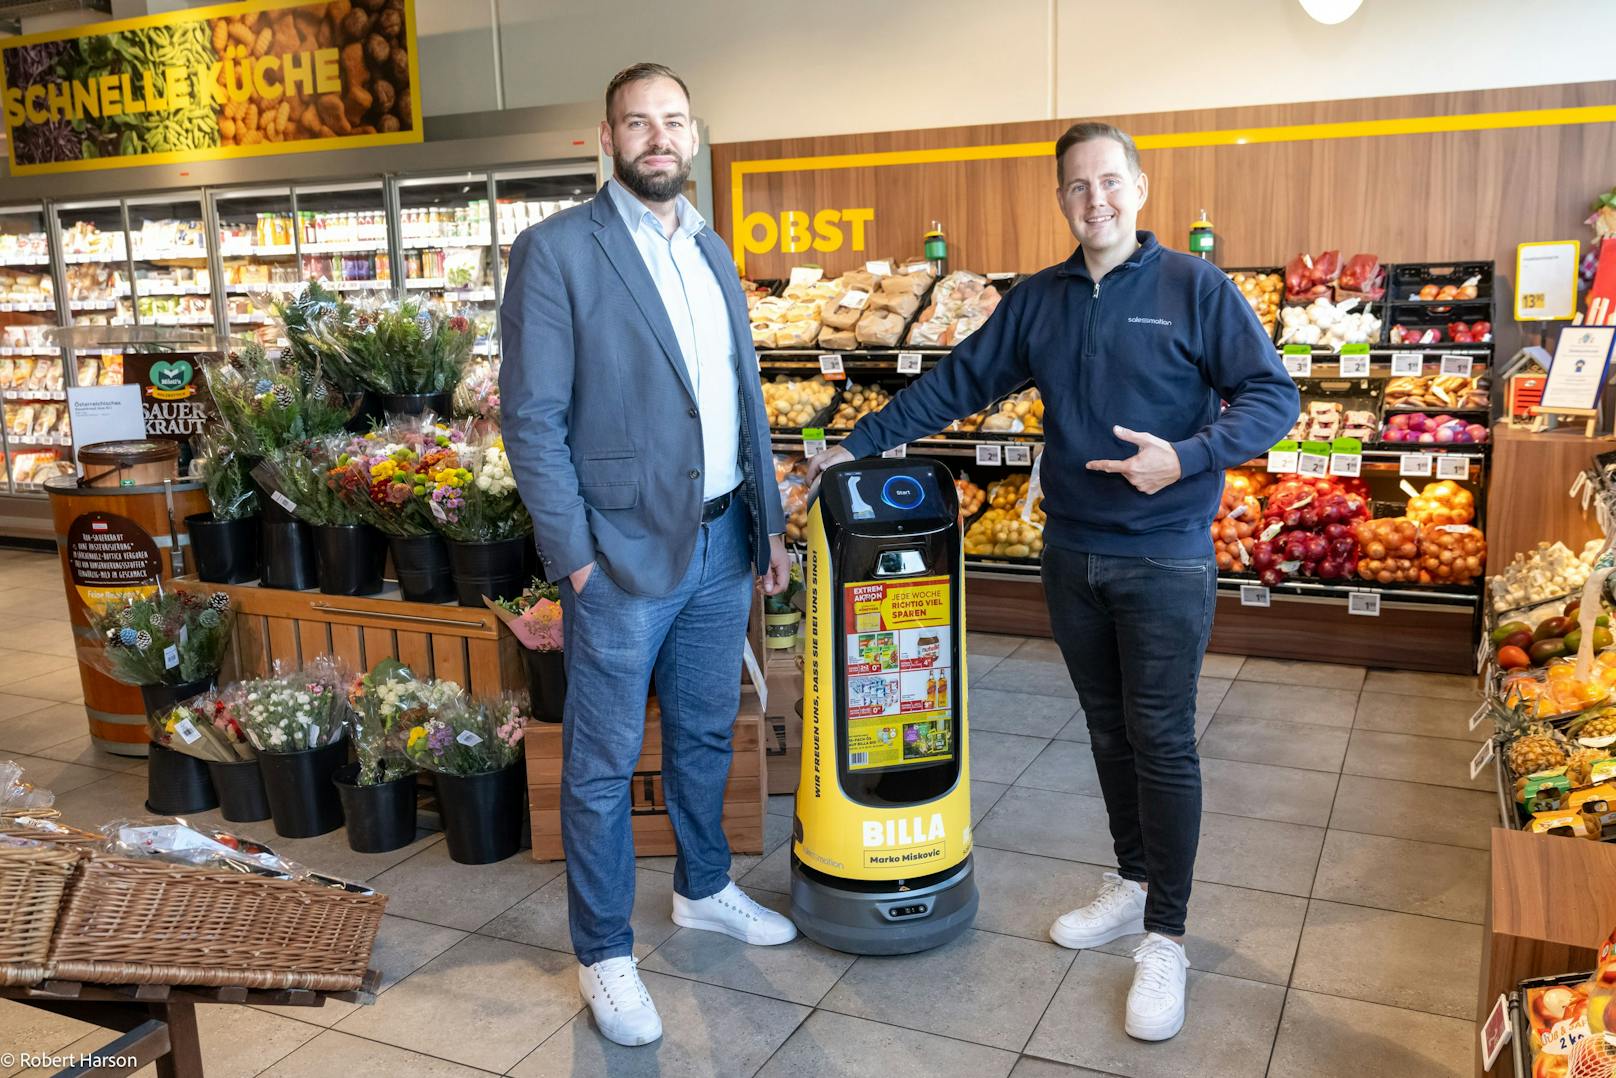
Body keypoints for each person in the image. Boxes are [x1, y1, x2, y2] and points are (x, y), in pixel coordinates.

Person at [806, 121, 1298, 1042]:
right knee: (1108, 732)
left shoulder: (1197, 287)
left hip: (1164, 554)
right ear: (1063, 199)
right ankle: (1131, 878)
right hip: (1072, 553)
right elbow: (959, 380)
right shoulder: (1041, 298)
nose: (1095, 200)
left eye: (1110, 182)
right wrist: (857, 441)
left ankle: (1166, 936)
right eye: (1077, 187)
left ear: (1141, 190)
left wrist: (1189, 456)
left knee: (1162, 739)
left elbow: (1274, 396)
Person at [499, 61, 797, 1049]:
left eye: (672, 121)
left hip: (721, 542)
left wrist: (765, 524)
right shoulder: (556, 252)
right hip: (619, 556)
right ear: (606, 139)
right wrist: (574, 557)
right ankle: (603, 953)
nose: (657, 137)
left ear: (694, 135)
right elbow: (531, 418)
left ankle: (703, 888)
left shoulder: (710, 246)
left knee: (710, 729)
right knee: (599, 762)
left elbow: (739, 395)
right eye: (638, 123)